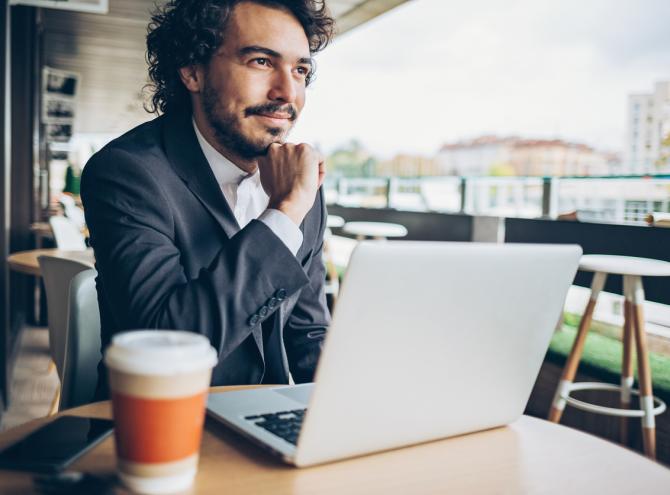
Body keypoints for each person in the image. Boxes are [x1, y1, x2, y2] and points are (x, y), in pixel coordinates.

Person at [81, 0, 335, 398]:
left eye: (300, 70)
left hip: (266, 428)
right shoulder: (125, 173)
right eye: (261, 62)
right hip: (159, 433)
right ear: (192, 70)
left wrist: (347, 411)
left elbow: (308, 331)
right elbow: (166, 347)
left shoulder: (302, 189)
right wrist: (283, 214)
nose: (288, 92)